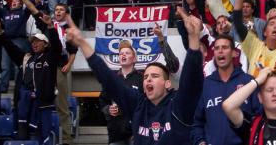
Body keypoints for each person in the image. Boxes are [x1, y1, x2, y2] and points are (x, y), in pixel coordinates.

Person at [65, 11, 204, 144]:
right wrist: (83, 43)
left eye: (155, 76)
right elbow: (108, 80)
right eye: (146, 77)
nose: (148, 79)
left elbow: (191, 80)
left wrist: (193, 38)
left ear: (168, 84)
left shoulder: (178, 105)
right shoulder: (138, 104)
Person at [0, 13, 62, 145]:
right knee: (23, 136)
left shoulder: (50, 57)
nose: (34, 44)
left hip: (43, 104)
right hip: (24, 103)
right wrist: (0, 32)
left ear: (45, 44)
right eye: (33, 41)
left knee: (43, 136)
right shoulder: (26, 58)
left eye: (38, 41)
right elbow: (11, 48)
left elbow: (57, 46)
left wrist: (50, 26)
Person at [191, 34, 262, 145]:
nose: (220, 51)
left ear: (234, 53)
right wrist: (201, 142)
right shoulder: (206, 84)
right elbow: (197, 123)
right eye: (217, 48)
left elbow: (260, 118)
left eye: (225, 47)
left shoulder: (248, 81)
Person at [99, 40, 143, 145]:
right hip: (116, 133)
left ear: (134, 58)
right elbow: (102, 100)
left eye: (127, 53)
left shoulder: (142, 79)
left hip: (136, 133)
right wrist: (108, 109)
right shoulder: (111, 79)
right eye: (121, 53)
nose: (123, 55)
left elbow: (146, 103)